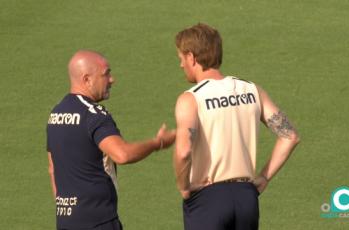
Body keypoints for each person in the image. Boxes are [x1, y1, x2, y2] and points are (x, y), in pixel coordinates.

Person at [173, 23, 300, 230]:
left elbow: (183, 151)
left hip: (207, 198)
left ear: (191, 57)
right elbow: (290, 136)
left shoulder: (191, 99)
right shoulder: (251, 90)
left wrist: (184, 186)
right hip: (246, 199)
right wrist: (264, 177)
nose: (181, 65)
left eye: (181, 59)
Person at [46, 50, 176, 230]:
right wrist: (158, 143)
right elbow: (122, 154)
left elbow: (53, 168)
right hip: (99, 221)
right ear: (87, 79)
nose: (112, 79)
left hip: (66, 222)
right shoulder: (94, 115)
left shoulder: (56, 114)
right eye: (106, 74)